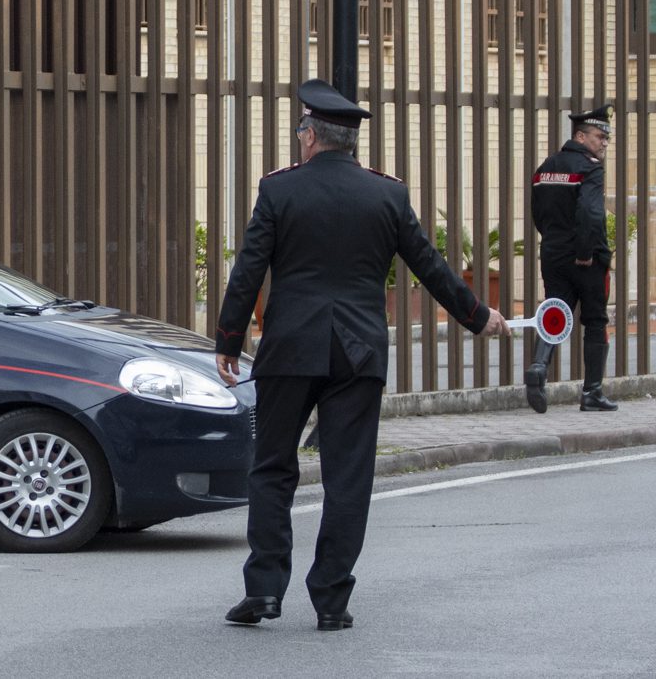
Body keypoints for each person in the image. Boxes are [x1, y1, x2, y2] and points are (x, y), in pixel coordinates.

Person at [215, 79, 509, 632]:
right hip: (359, 353)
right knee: (347, 477)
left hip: (290, 350)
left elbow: (249, 269)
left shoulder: (279, 191)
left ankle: (264, 591)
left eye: (300, 128)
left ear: (310, 137)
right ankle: (331, 599)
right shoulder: (387, 195)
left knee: (272, 468)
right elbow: (430, 265)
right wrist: (477, 316)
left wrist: (230, 339)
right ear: (350, 143)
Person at [525, 105, 617, 413]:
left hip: (552, 253)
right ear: (580, 135)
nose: (604, 142)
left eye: (606, 137)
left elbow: (538, 213)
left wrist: (554, 241)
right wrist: (585, 253)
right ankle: (592, 392)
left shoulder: (545, 167)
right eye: (598, 136)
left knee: (556, 313)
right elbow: (590, 213)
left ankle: (539, 366)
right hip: (585, 257)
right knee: (595, 320)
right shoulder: (590, 167)